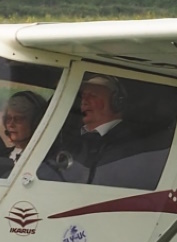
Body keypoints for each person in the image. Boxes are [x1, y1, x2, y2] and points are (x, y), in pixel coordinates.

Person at [41, 73, 169, 188]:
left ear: (116, 102)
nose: (84, 102)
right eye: (83, 96)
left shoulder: (131, 145)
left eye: (92, 96)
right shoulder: (69, 139)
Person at [2, 90, 47, 160]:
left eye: (18, 119)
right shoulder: (0, 156)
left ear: (35, 123)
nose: (11, 124)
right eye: (8, 119)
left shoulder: (45, 160)